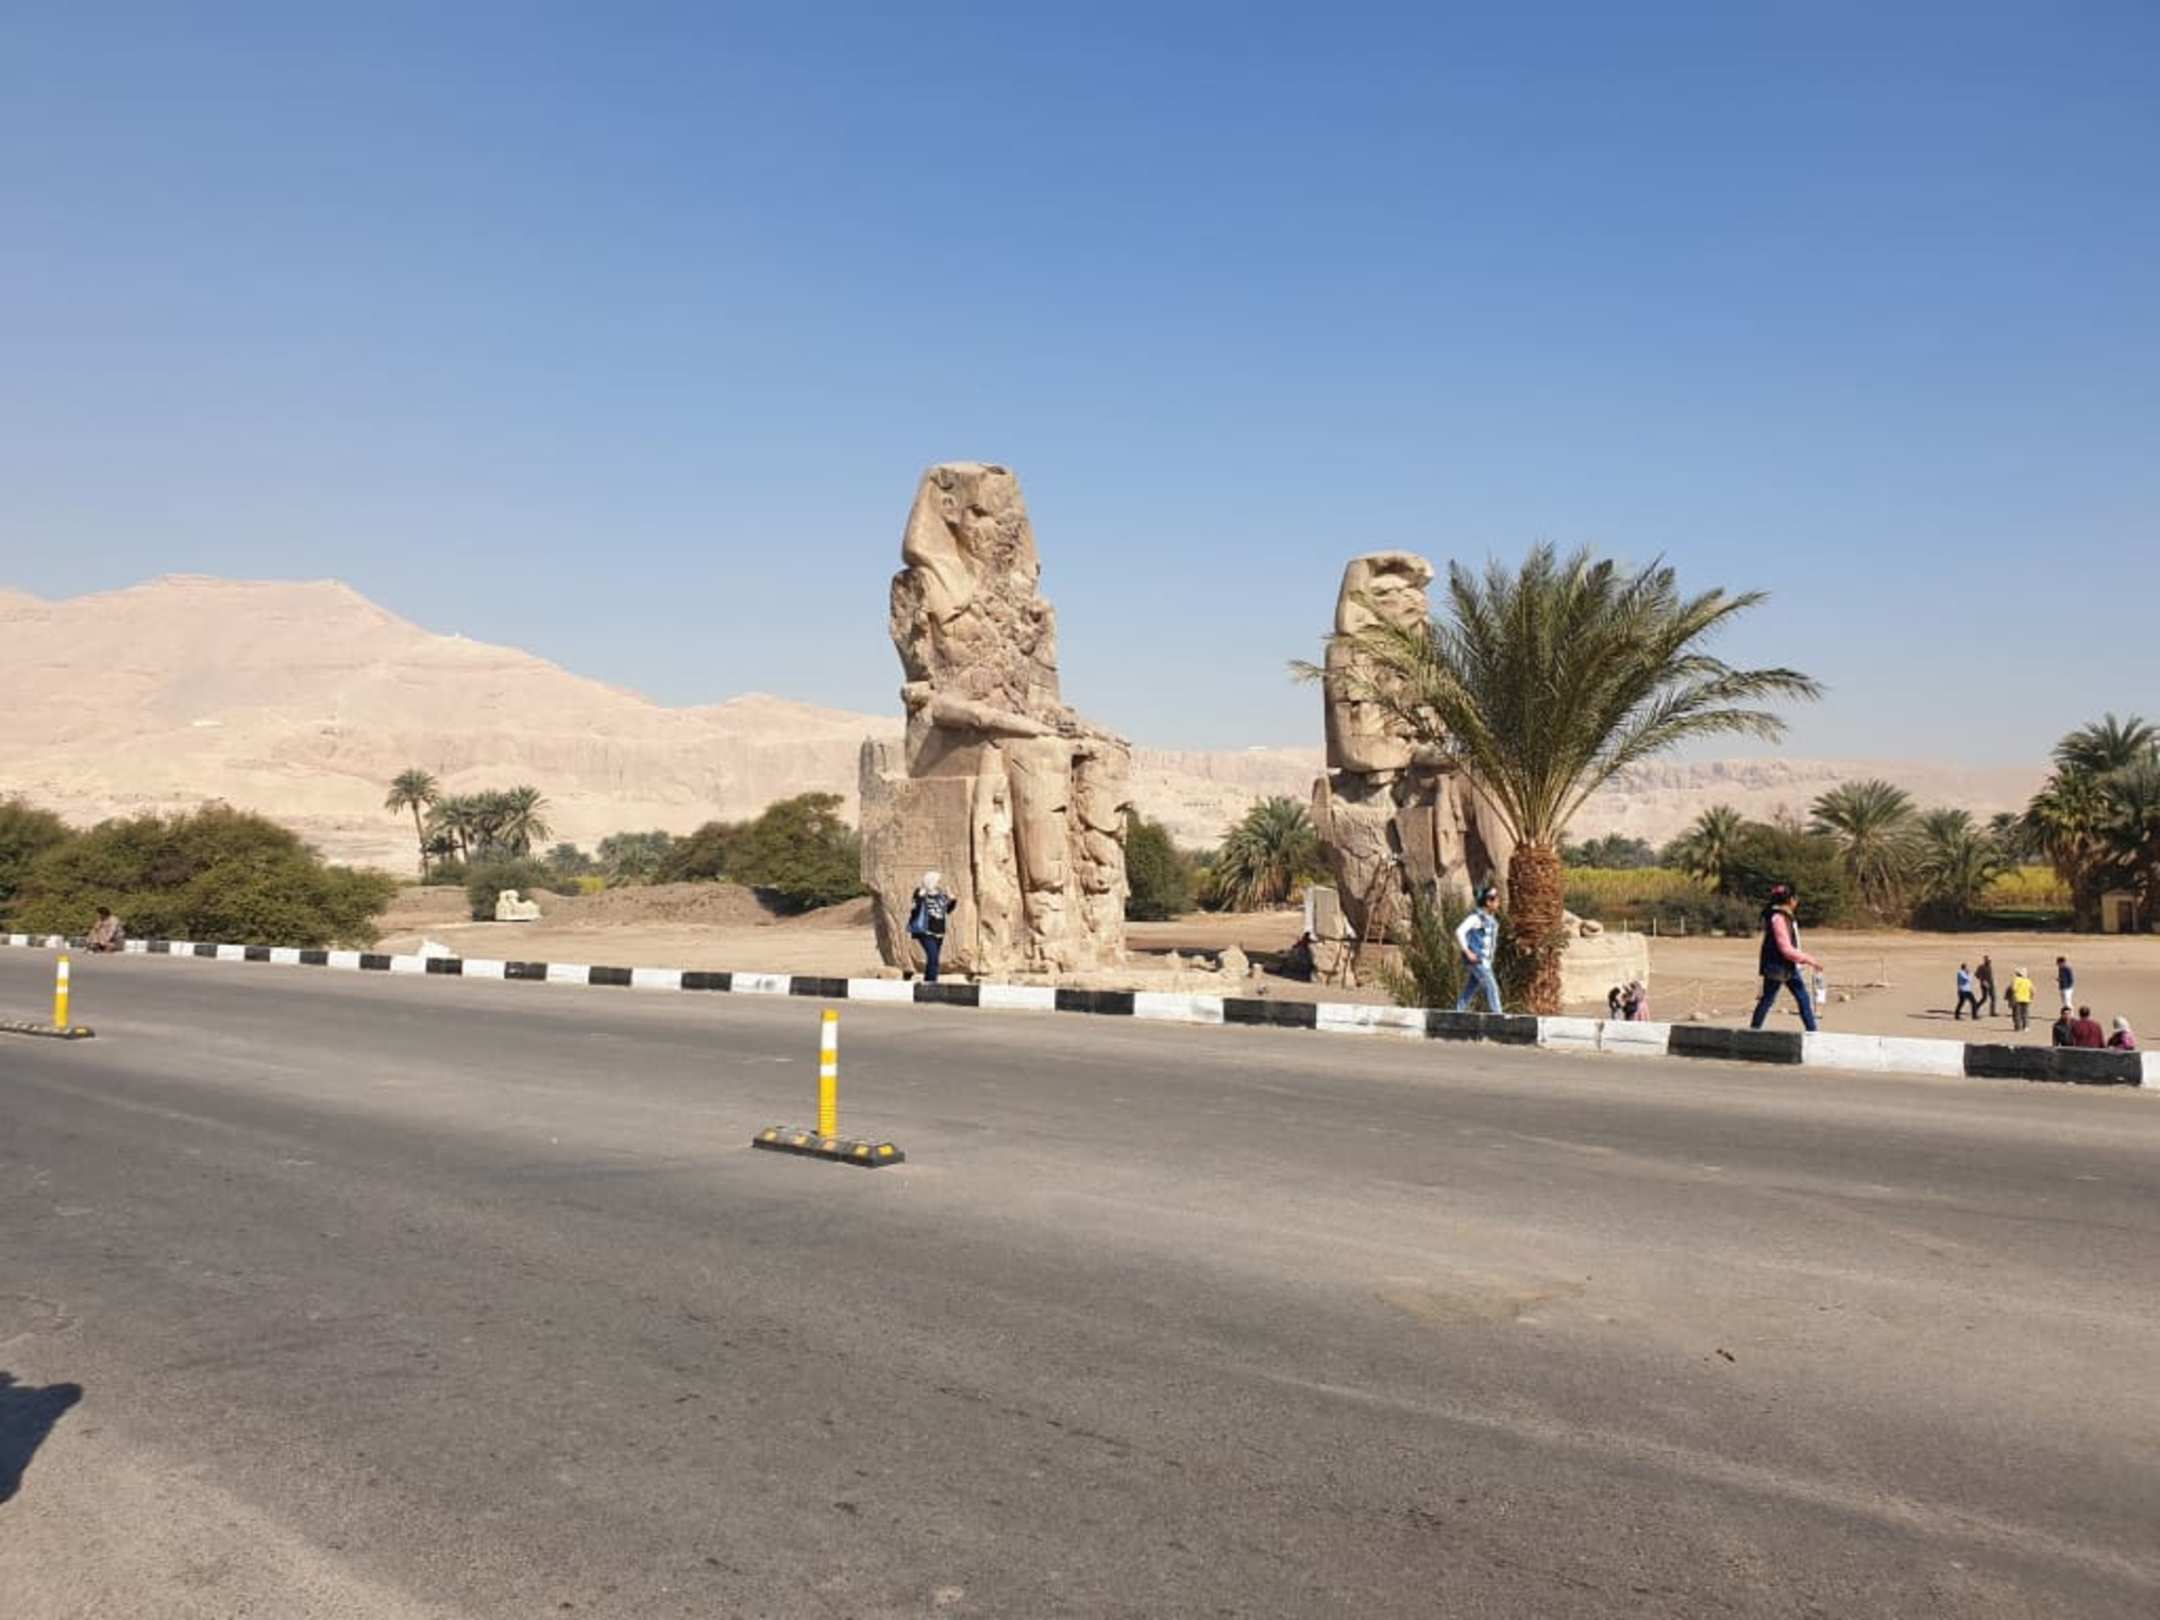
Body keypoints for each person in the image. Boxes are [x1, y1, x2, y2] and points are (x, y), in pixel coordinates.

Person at [1749, 882, 1821, 1033]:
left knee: (1802, 998)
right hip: (1777, 966)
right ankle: (1754, 1031)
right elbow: (1786, 948)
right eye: (1795, 898)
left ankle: (1812, 1032)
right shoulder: (1778, 918)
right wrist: (1809, 959)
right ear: (1790, 900)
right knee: (1769, 999)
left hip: (1789, 965)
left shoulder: (1785, 917)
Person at [1453, 884, 1504, 1014]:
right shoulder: (1476, 918)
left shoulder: (1491, 920)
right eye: (1496, 899)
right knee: (1491, 986)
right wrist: (1467, 952)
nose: (1498, 902)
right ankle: (1498, 1015)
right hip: (1476, 960)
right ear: (1488, 902)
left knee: (1470, 988)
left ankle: (1458, 1011)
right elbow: (1459, 931)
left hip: (1484, 961)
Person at [906, 871, 953, 983]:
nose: (939, 883)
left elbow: (947, 910)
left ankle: (928, 982)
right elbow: (915, 909)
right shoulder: (920, 892)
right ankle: (932, 983)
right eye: (937, 881)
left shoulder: (941, 895)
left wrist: (952, 899)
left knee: (933, 959)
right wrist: (920, 897)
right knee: (933, 957)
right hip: (925, 931)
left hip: (939, 931)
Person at [2007, 966, 2035, 1032]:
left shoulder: (2016, 980)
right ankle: (2026, 1026)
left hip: (2018, 999)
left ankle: (2018, 1027)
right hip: (2026, 999)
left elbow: (2013, 989)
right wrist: (2031, 997)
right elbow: (2032, 990)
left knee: (2017, 1014)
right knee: (2025, 1014)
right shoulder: (2028, 981)